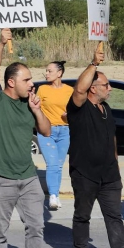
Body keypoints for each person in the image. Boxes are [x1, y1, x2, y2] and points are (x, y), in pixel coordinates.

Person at [0, 29, 53, 248]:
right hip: (0, 178)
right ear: (11, 82)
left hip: (28, 177)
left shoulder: (30, 104)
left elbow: (46, 131)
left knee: (36, 227)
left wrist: (37, 109)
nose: (32, 83)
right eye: (27, 80)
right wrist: (2, 42)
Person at [66, 46, 124, 248]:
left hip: (110, 175)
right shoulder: (78, 109)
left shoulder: (107, 109)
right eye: (106, 85)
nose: (110, 89)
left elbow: (111, 138)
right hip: (85, 173)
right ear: (92, 88)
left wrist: (116, 166)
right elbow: (78, 91)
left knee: (114, 217)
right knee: (83, 215)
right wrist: (94, 64)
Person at [37, 61, 73, 211]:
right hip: (47, 131)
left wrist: (69, 114)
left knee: (58, 165)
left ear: (59, 73)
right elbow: (35, 108)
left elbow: (76, 109)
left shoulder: (70, 90)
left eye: (49, 71)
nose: (46, 73)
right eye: (46, 70)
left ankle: (55, 195)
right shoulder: (42, 89)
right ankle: (52, 195)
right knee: (52, 164)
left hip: (65, 131)